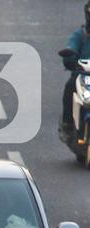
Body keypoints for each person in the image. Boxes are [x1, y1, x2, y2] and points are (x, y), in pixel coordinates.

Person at [60, 2, 90, 142]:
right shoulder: (80, 35)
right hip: (82, 77)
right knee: (70, 86)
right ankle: (68, 124)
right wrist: (70, 57)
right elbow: (71, 47)